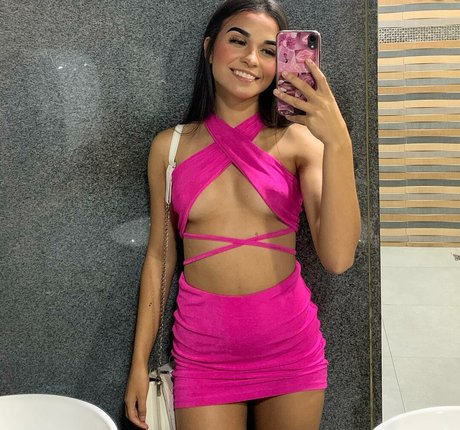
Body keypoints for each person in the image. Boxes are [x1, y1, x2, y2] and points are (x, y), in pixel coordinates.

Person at [124, 0, 361, 429]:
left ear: (281, 63)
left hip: (290, 350)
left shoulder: (298, 143)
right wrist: (139, 363)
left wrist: (338, 142)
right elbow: (160, 257)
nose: (251, 59)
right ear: (209, 48)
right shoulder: (168, 149)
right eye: (238, 41)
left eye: (269, 50)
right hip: (202, 355)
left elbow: (339, 258)